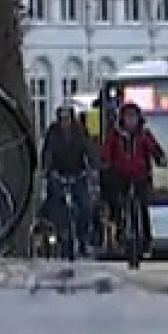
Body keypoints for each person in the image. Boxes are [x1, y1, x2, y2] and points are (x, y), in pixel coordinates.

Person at [101, 102, 167, 259]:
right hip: (120, 176)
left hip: (140, 176)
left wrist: (160, 158)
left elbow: (154, 148)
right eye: (127, 117)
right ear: (122, 118)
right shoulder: (115, 135)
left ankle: (146, 240)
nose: (131, 121)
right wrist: (104, 162)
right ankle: (120, 232)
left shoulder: (144, 134)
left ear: (138, 119)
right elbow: (106, 151)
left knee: (142, 206)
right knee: (116, 202)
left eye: (133, 117)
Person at [40, 106, 98, 257]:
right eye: (62, 119)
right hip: (58, 174)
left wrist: (92, 167)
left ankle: (83, 238)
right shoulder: (52, 133)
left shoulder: (80, 132)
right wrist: (47, 170)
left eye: (67, 119)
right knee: (55, 203)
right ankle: (59, 235)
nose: (64, 122)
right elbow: (48, 152)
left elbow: (89, 149)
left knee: (85, 206)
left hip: (78, 173)